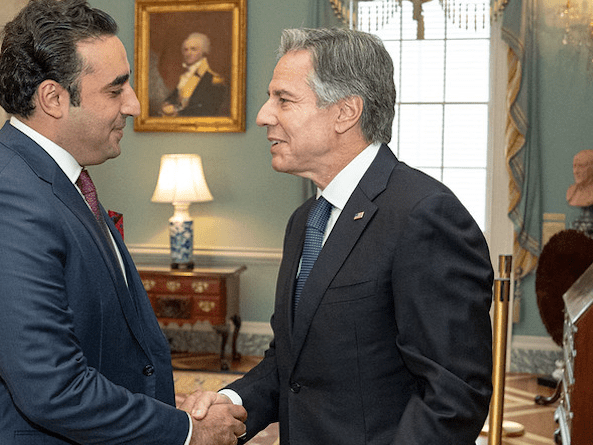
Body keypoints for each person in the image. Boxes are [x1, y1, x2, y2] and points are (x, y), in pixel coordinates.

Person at [0, 1, 246, 444]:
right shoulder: (0, 199)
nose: (134, 105)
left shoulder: (56, 179)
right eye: (115, 90)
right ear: (54, 98)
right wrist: (187, 431)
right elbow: (53, 388)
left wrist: (161, 408)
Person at [186, 27, 494, 444]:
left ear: (346, 112)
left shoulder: (425, 215)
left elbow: (453, 399)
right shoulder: (305, 221)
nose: (263, 114)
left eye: (284, 99)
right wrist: (227, 402)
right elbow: (291, 366)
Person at [160, 32, 228, 117]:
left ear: (203, 51)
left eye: (193, 49)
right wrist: (167, 105)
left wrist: (178, 113)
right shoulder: (184, 77)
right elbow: (172, 99)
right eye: (186, 49)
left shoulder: (214, 80)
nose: (188, 53)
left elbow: (208, 110)